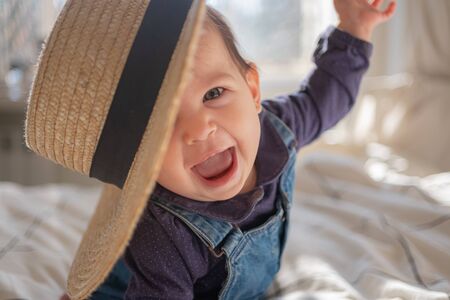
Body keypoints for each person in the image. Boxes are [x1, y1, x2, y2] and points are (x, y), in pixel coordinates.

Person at [60, 0, 396, 299]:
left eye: (213, 93)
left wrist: (355, 26)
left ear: (252, 91)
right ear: (137, 159)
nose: (199, 129)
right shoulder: (163, 235)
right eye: (162, 122)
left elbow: (324, 99)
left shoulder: (277, 129)